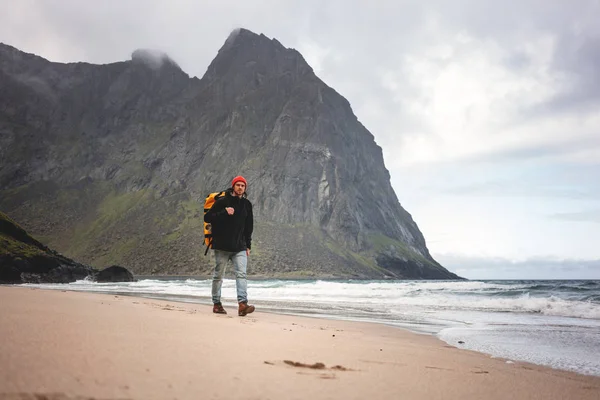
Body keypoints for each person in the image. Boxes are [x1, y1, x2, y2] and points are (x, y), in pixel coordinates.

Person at [204, 175, 255, 316]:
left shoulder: (247, 204)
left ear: (245, 188)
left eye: (242, 185)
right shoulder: (222, 202)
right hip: (221, 246)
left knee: (242, 275)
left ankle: (242, 304)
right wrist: (224, 212)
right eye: (238, 185)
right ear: (233, 186)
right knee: (218, 276)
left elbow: (249, 226)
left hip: (240, 247)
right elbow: (207, 218)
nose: (240, 187)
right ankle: (216, 304)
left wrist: (248, 245)